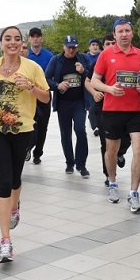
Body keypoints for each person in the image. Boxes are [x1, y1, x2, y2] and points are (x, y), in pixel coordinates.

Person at [0, 26, 50, 262]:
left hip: (22, 129)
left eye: (17, 39)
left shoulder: (32, 67)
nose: (12, 43)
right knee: (3, 182)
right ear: (0, 43)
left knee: (14, 179)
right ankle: (5, 241)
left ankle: (15, 206)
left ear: (22, 44)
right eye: (7, 39)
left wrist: (30, 87)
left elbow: (46, 97)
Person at [91, 19, 140, 212]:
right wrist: (109, 89)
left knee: (139, 150)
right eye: (120, 31)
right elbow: (94, 81)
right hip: (112, 110)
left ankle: (133, 193)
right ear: (114, 35)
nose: (124, 34)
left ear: (132, 33)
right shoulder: (106, 54)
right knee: (111, 151)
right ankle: (113, 183)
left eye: (127, 31)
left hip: (136, 111)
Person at [86, 34, 131, 186]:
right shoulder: (100, 61)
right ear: (102, 47)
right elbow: (87, 81)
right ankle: (108, 174)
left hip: (125, 106)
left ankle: (120, 152)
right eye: (107, 43)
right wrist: (94, 92)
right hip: (103, 107)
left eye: (113, 42)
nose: (111, 45)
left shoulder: (125, 59)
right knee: (105, 142)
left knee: (127, 137)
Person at [45, 35, 92, 177]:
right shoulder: (56, 60)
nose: (71, 50)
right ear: (63, 47)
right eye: (69, 47)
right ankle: (69, 163)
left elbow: (93, 77)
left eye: (74, 47)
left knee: (81, 131)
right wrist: (57, 85)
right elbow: (46, 78)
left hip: (79, 102)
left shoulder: (83, 59)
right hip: (63, 103)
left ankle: (81, 164)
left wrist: (83, 72)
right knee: (66, 134)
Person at [26, 26, 53, 164]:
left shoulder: (49, 56)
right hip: (28, 95)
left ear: (41, 38)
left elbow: (53, 76)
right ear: (29, 38)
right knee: (30, 124)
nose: (35, 39)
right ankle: (28, 147)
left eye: (38, 36)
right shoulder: (25, 55)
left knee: (43, 126)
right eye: (33, 36)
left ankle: (38, 153)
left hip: (43, 94)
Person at [86, 38, 102, 135]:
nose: (95, 47)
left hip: (100, 84)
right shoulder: (86, 57)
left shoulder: (101, 56)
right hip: (89, 84)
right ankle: (95, 127)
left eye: (97, 45)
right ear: (89, 47)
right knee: (91, 106)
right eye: (93, 45)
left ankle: (98, 123)